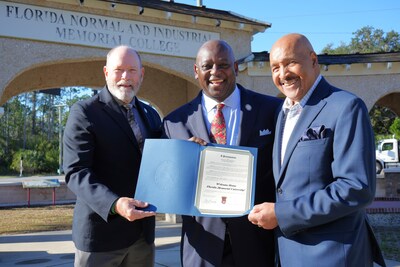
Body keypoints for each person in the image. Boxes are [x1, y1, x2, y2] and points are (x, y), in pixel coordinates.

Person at [248, 33, 386, 267]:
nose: (283, 74)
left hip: (332, 255)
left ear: (313, 60)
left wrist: (282, 214)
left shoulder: (346, 107)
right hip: (289, 253)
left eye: (290, 63)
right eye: (275, 68)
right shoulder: (282, 113)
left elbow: (356, 187)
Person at [163, 40, 282, 266]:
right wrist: (185, 162)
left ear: (235, 68)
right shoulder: (173, 123)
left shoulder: (271, 111)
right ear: (196, 71)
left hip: (257, 244)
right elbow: (168, 186)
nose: (215, 72)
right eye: (207, 66)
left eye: (223, 65)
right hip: (203, 248)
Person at [63, 45, 162, 267]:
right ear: (106, 72)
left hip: (142, 237)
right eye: (118, 70)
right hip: (101, 237)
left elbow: (164, 160)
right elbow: (76, 171)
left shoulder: (151, 114)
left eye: (132, 70)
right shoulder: (84, 112)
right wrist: (115, 204)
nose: (125, 77)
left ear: (142, 74)